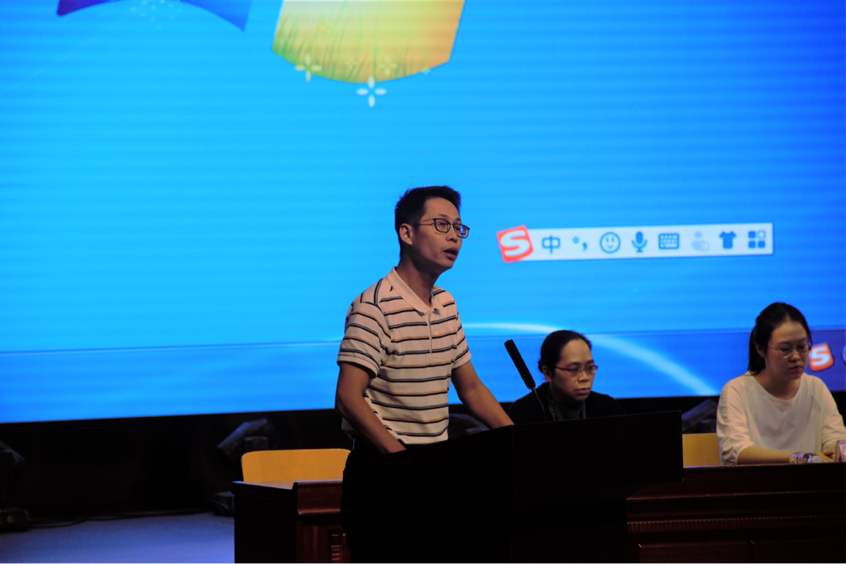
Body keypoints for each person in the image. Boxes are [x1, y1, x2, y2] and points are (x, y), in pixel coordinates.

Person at [334, 185, 513, 561]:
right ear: (407, 232)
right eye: (441, 225)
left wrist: (522, 442)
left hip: (433, 469)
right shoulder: (374, 307)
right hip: (383, 470)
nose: (454, 236)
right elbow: (348, 398)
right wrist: (402, 461)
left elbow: (471, 389)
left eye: (459, 228)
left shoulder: (446, 304)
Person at [716, 302, 846, 465]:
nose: (796, 357)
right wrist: (801, 458)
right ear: (760, 349)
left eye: (802, 346)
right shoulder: (736, 391)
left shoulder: (815, 387)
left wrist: (831, 453)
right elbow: (738, 452)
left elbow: (838, 445)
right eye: (785, 349)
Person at [509, 330, 624, 424]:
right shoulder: (525, 411)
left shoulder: (608, 408)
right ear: (548, 373)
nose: (584, 378)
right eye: (573, 369)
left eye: (589, 368)